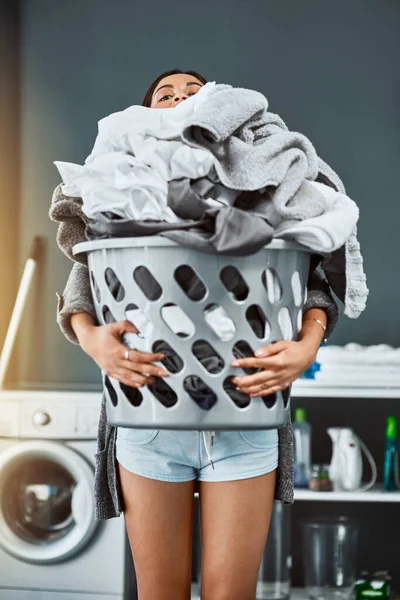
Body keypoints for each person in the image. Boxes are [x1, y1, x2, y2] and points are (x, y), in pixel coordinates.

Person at [55, 69, 338, 600]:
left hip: (245, 414)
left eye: (195, 92)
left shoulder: (256, 181)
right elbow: (85, 276)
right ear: (143, 115)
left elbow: (310, 277)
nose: (182, 98)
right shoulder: (121, 180)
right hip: (150, 411)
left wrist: (307, 346)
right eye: (167, 93)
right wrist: (93, 340)